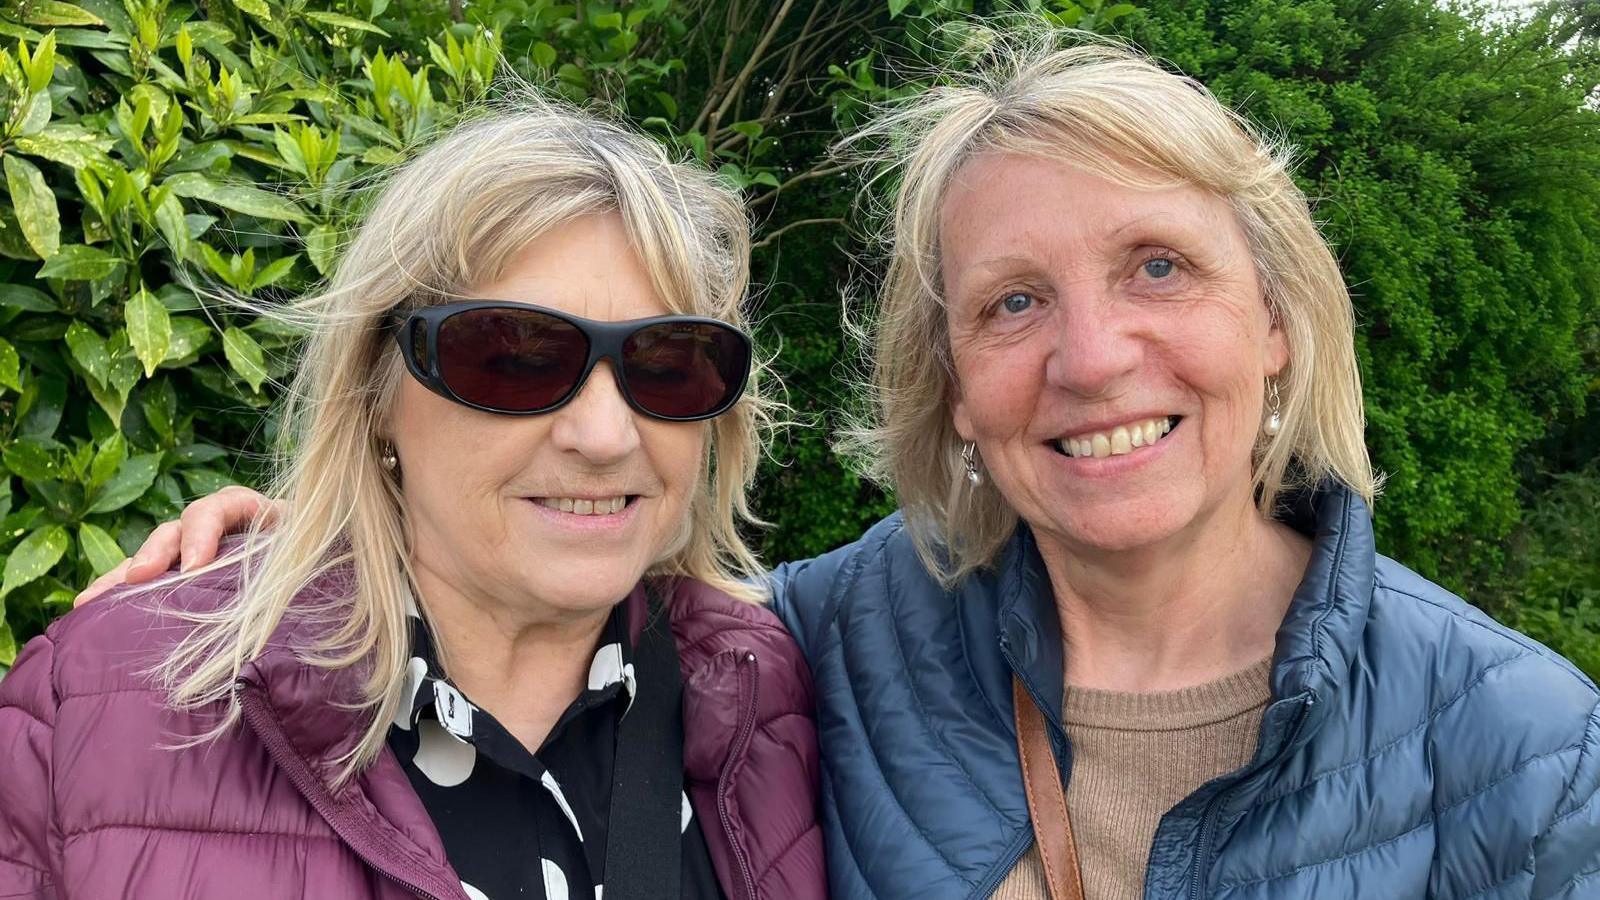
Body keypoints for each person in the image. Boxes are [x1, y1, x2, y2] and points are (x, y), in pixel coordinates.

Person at [71, 34, 1600, 900]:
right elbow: (548, 576)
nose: (1088, 359)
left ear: (1277, 321)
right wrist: (328, 539)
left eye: (1158, 269)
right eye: (1012, 302)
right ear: (950, 391)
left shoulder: (1527, 753)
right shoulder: (817, 644)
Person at [0, 102, 826, 900]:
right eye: (516, 358)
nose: (606, 435)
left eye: (668, 362)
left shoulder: (763, 697)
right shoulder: (106, 704)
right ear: (376, 391)